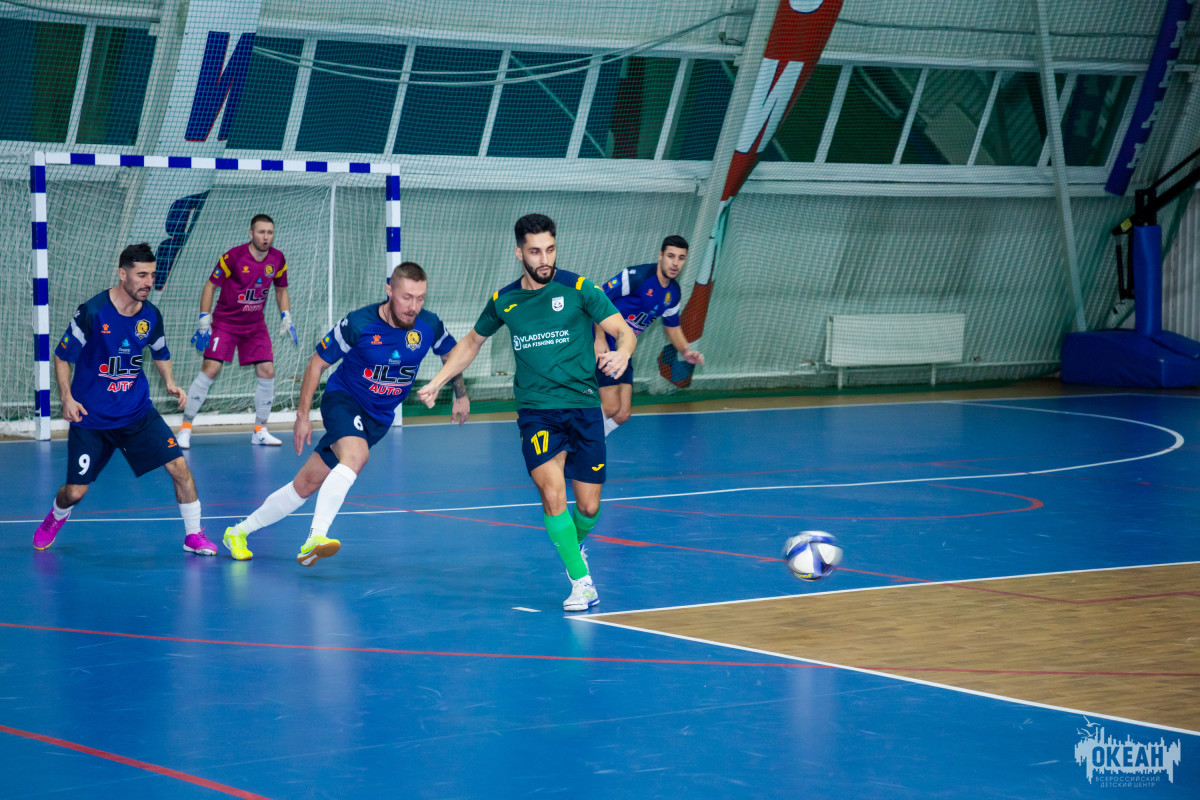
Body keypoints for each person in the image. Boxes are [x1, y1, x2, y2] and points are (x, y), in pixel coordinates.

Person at [417, 213, 636, 612]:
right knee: (552, 493)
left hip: (583, 407)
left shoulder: (579, 288)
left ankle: (572, 548)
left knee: (588, 508)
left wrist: (622, 352)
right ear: (519, 253)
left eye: (550, 249)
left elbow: (623, 329)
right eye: (535, 252)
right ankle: (582, 583)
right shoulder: (505, 300)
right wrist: (438, 380)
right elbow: (471, 342)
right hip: (537, 412)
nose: (544, 259)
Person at [222, 261, 469, 565]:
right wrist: (302, 416)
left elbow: (452, 355)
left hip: (378, 419)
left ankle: (238, 532)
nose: (413, 307)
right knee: (356, 456)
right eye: (407, 297)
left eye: (420, 298)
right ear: (389, 290)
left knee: (306, 484)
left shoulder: (429, 325)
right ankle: (315, 538)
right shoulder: (359, 323)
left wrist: (461, 394)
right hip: (343, 400)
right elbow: (316, 364)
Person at [33, 243, 216, 556]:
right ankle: (56, 516)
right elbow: (62, 356)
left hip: (136, 413)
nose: (149, 282)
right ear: (122, 274)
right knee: (75, 492)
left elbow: (160, 351)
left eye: (152, 275)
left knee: (179, 467)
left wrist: (170, 382)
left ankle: (194, 535)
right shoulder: (92, 312)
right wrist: (66, 397)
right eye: (141, 275)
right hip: (91, 419)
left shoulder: (151, 315)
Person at [176, 214, 296, 449]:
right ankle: (185, 429)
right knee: (211, 369)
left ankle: (260, 431)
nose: (266, 237)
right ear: (251, 234)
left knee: (267, 371)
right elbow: (210, 286)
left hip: (255, 325)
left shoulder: (278, 259)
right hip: (226, 323)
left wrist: (286, 316)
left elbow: (281, 289)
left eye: (270, 232)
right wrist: (204, 320)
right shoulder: (233, 257)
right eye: (261, 232)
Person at [595, 235, 704, 436]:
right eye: (670, 256)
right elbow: (598, 297)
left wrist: (685, 351)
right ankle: (574, 443)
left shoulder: (673, 293)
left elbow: (672, 326)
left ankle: (585, 442)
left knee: (622, 413)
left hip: (624, 349)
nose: (675, 263)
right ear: (661, 255)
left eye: (681, 258)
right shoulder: (637, 277)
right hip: (603, 340)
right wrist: (599, 338)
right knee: (610, 407)